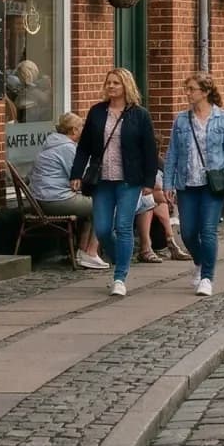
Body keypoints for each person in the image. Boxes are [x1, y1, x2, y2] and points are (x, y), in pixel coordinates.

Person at [70, 68, 158, 297]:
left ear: (126, 86)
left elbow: (150, 150)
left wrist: (150, 180)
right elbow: (84, 147)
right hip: (102, 181)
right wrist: (76, 173)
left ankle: (120, 277)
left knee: (123, 225)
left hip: (130, 180)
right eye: (108, 82)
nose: (111, 86)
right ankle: (122, 258)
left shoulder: (139, 115)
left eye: (116, 83)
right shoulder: (97, 112)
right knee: (102, 228)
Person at [162, 72, 224, 297]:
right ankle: (200, 262)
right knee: (188, 232)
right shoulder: (181, 119)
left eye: (192, 89)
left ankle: (207, 277)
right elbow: (172, 154)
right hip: (187, 183)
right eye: (186, 89)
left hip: (212, 184)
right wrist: (167, 183)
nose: (187, 93)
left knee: (208, 231)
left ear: (206, 92)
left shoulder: (223, 118)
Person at [31, 113, 105, 270]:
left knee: (92, 206)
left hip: (42, 199)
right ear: (73, 130)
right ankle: (90, 253)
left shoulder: (52, 144)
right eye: (82, 128)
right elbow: (83, 177)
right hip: (56, 201)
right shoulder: (67, 148)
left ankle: (83, 251)